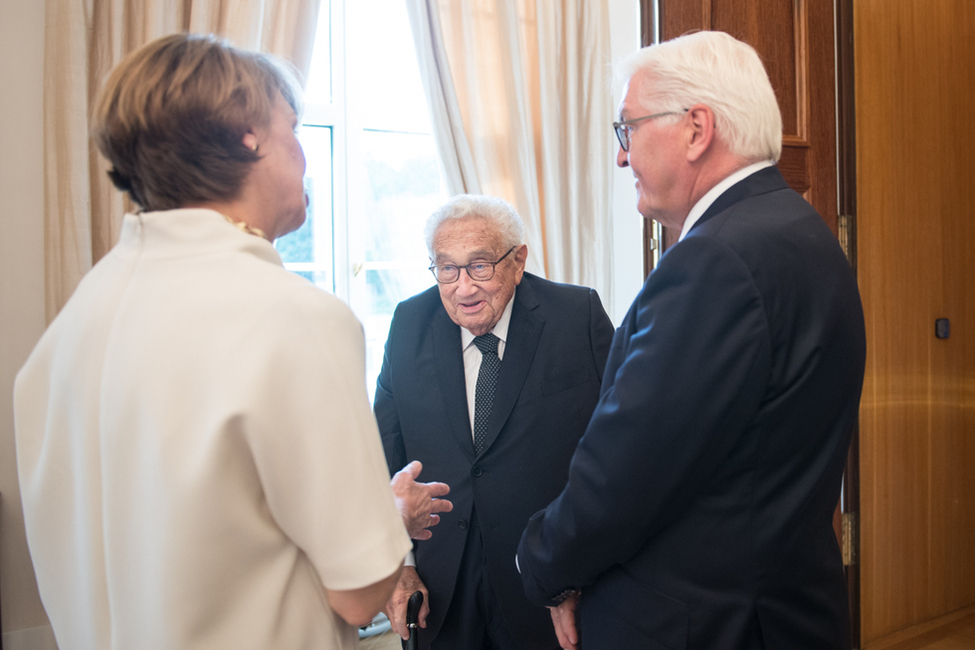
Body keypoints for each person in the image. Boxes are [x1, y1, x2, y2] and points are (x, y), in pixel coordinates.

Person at [14, 33, 450, 650]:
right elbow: (358, 593)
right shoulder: (295, 318)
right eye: (292, 128)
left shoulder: (65, 335)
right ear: (250, 135)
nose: (304, 153)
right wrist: (391, 515)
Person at [517, 31, 866, 650]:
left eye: (627, 130)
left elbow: (627, 472)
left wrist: (544, 564)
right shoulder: (801, 232)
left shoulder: (716, 261)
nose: (622, 158)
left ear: (696, 129)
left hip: (706, 623)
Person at [374, 194, 615, 650]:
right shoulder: (409, 322)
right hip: (439, 587)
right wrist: (398, 563)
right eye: (447, 268)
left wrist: (583, 567)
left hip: (550, 584)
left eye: (480, 266)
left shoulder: (576, 317)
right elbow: (384, 450)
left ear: (518, 261)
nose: (463, 288)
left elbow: (617, 450)